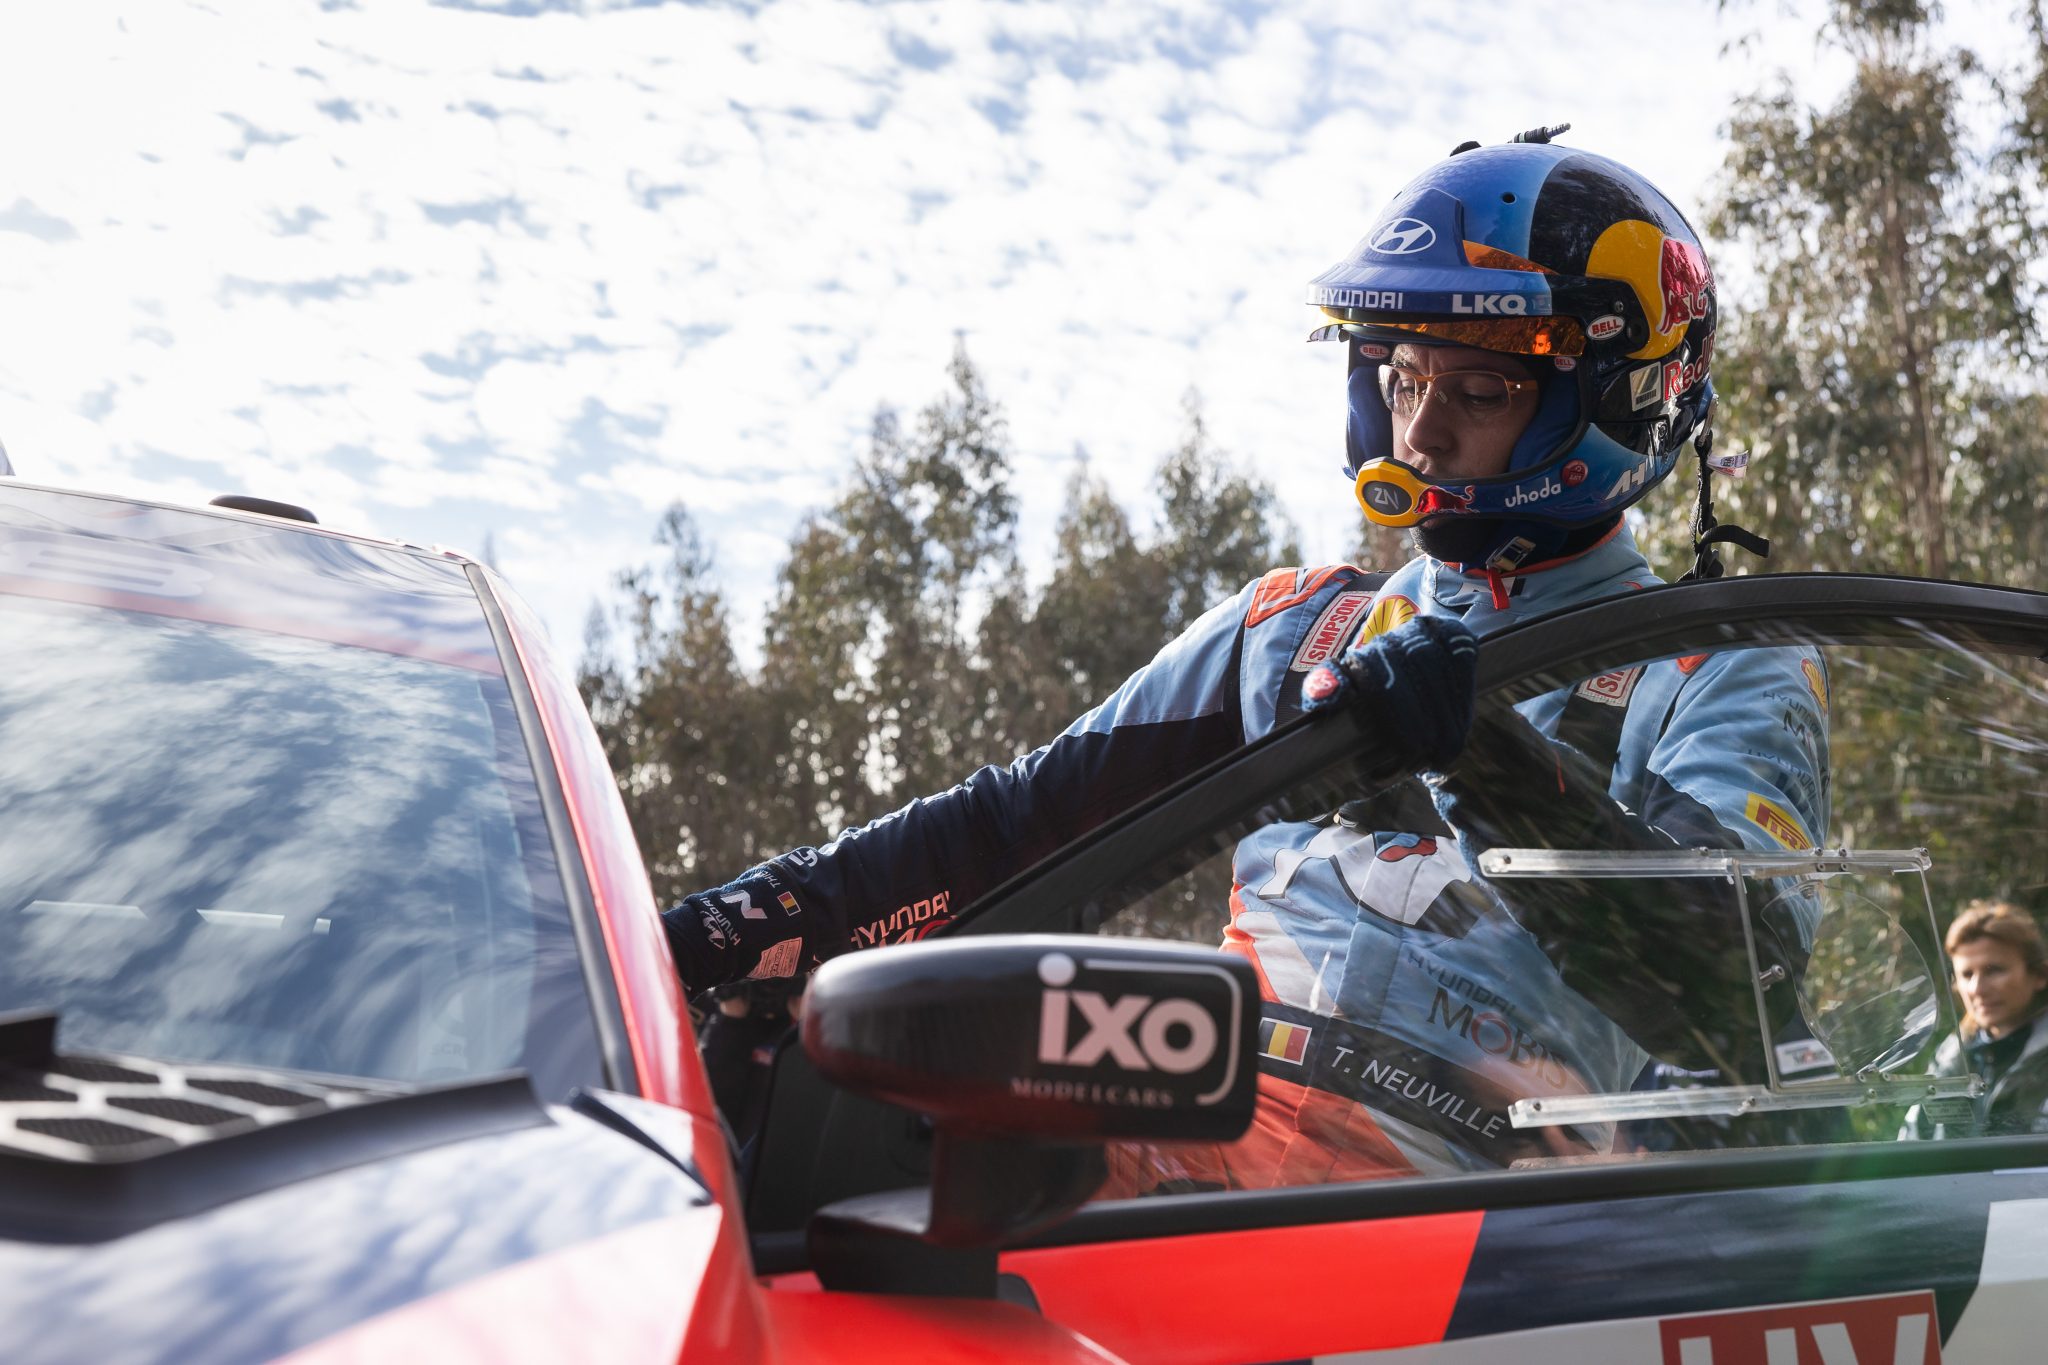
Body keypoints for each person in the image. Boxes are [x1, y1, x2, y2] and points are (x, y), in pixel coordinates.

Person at [665, 130, 1831, 1184]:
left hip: (1471, 1193)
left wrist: (1491, 765)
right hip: (1194, 1116)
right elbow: (1009, 830)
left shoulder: (1715, 665)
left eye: (1478, 388)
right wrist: (699, 936)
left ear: (1622, 401)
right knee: (802, 1150)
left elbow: (1737, 993)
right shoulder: (1297, 625)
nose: (1420, 432)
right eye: (1401, 377)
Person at [1904, 901, 2048, 1139]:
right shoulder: (1951, 1057)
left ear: (2040, 975)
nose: (1977, 988)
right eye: (1966, 974)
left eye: (1994, 970)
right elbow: (1913, 1141)